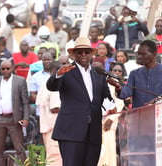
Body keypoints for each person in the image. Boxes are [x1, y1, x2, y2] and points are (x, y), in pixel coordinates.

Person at [46, 37, 116, 166]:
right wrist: (58, 75)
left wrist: (119, 90)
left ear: (91, 53)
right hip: (71, 133)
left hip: (93, 133)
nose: (84, 54)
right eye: (80, 52)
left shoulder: (98, 73)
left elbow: (107, 99)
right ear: (74, 54)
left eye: (86, 51)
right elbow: (51, 86)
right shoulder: (66, 71)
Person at [107, 40, 162, 166]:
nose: (139, 57)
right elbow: (126, 93)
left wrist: (159, 99)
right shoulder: (135, 74)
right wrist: (118, 88)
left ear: (154, 53)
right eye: (138, 54)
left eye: (143, 54)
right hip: (141, 128)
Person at [0, 59, 29, 166]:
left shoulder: (20, 81)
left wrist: (26, 118)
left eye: (8, 68)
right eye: (3, 69)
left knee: (19, 148)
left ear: (12, 68)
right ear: (0, 70)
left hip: (14, 119)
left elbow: (25, 102)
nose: (6, 71)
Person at [36, 61, 62, 166]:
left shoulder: (45, 83)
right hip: (54, 126)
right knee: (56, 157)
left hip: (48, 126)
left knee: (51, 156)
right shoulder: (54, 85)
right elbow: (55, 108)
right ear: (54, 71)